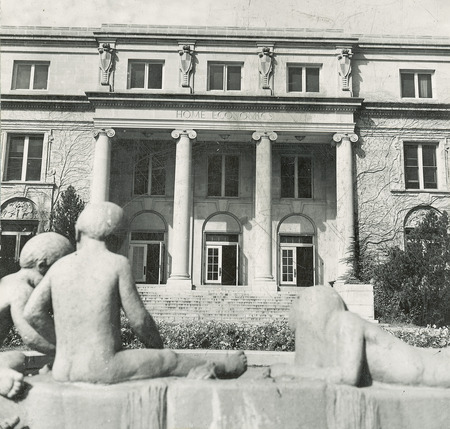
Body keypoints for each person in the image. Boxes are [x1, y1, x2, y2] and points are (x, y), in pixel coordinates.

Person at [24, 202, 247, 384]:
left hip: (63, 369)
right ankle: (223, 367)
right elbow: (139, 320)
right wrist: (157, 352)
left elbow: (32, 313)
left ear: (78, 232)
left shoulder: (59, 266)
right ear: (118, 236)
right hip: (102, 367)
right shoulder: (116, 263)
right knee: (170, 360)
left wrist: (65, 345)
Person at [269, 285, 450, 388]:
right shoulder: (334, 333)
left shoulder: (346, 322)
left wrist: (289, 371)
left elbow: (348, 376)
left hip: (435, 369)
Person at [0, 232, 73, 399]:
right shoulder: (22, 290)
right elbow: (32, 336)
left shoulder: (9, 280)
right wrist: (68, 352)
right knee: (16, 360)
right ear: (42, 265)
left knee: (15, 358)